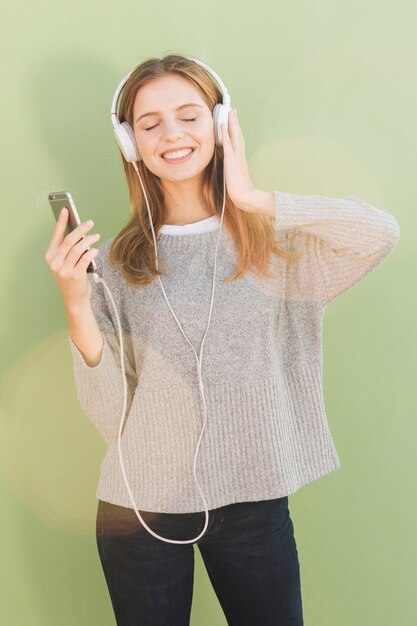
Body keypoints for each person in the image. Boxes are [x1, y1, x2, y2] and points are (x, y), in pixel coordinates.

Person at [44, 54, 400, 626]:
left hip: (254, 501)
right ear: (130, 142)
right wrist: (75, 302)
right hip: (139, 508)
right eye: (149, 123)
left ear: (220, 124)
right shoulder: (113, 263)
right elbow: (111, 415)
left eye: (189, 115)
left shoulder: (278, 248)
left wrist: (255, 198)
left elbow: (379, 233)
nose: (172, 134)